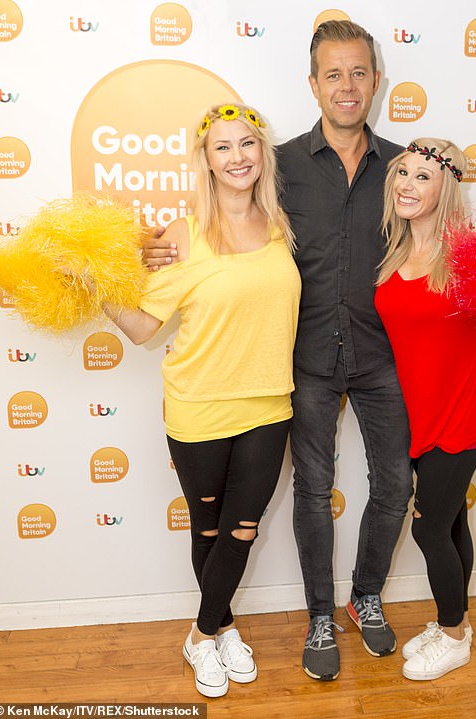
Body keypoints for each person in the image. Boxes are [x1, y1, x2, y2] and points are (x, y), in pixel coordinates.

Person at [144, 21, 413, 683]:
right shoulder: (280, 162)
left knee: (397, 486)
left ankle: (366, 595)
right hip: (303, 363)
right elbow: (220, 220)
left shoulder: (404, 166)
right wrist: (146, 250)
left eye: (358, 73)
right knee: (311, 493)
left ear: (375, 82)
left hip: (381, 358)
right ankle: (318, 614)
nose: (346, 86)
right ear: (314, 84)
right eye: (333, 74)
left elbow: (434, 245)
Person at [101, 103, 301, 698]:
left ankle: (202, 633)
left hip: (269, 405)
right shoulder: (184, 234)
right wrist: (97, 284)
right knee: (209, 531)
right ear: (207, 161)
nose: (237, 157)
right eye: (223, 148)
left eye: (247, 144)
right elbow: (141, 328)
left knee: (243, 530)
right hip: (198, 406)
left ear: (262, 153)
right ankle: (222, 628)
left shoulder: (282, 223)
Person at [374, 138, 476, 681]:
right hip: (417, 415)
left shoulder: (469, 257)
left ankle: (456, 635)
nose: (407, 186)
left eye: (422, 177)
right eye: (403, 175)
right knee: (452, 521)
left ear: (447, 189)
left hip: (462, 413)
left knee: (428, 529)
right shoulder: (395, 253)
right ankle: (454, 622)